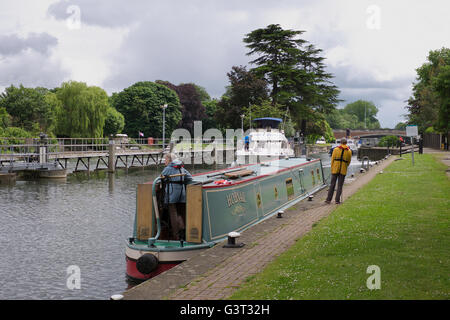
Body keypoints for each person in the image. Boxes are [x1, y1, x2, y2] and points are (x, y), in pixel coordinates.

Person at [160, 153, 193, 240]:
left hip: (172, 194)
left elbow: (160, 178)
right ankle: (183, 230)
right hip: (182, 194)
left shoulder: (168, 169)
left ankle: (176, 235)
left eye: (165, 160)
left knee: (173, 213)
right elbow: (190, 178)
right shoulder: (181, 167)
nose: (164, 161)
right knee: (180, 212)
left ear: (170, 160)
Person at [325, 138, 352, 204]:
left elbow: (332, 160)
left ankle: (328, 200)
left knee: (332, 184)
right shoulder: (349, 151)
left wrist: (332, 168)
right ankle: (337, 200)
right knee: (340, 185)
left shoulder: (335, 149)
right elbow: (349, 161)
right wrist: (345, 166)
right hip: (343, 169)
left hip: (335, 168)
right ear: (346, 143)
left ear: (340, 142)